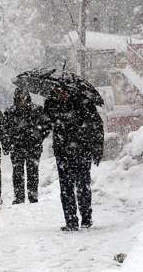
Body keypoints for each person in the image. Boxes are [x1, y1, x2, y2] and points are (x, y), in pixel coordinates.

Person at [44, 87, 104, 231]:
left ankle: (86, 219)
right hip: (62, 152)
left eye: (63, 90)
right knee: (66, 188)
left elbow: (96, 125)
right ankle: (71, 221)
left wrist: (97, 149)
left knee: (83, 186)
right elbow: (44, 125)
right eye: (57, 90)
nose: (61, 93)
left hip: (82, 151)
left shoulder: (83, 102)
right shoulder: (51, 104)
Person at [3, 88, 49, 204]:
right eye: (19, 96)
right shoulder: (10, 112)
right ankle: (19, 197)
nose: (22, 99)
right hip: (17, 147)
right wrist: (8, 143)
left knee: (32, 172)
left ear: (27, 97)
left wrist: (38, 137)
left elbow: (46, 126)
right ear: (16, 98)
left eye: (24, 96)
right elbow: (4, 130)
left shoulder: (37, 110)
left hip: (33, 147)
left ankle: (33, 196)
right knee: (17, 172)